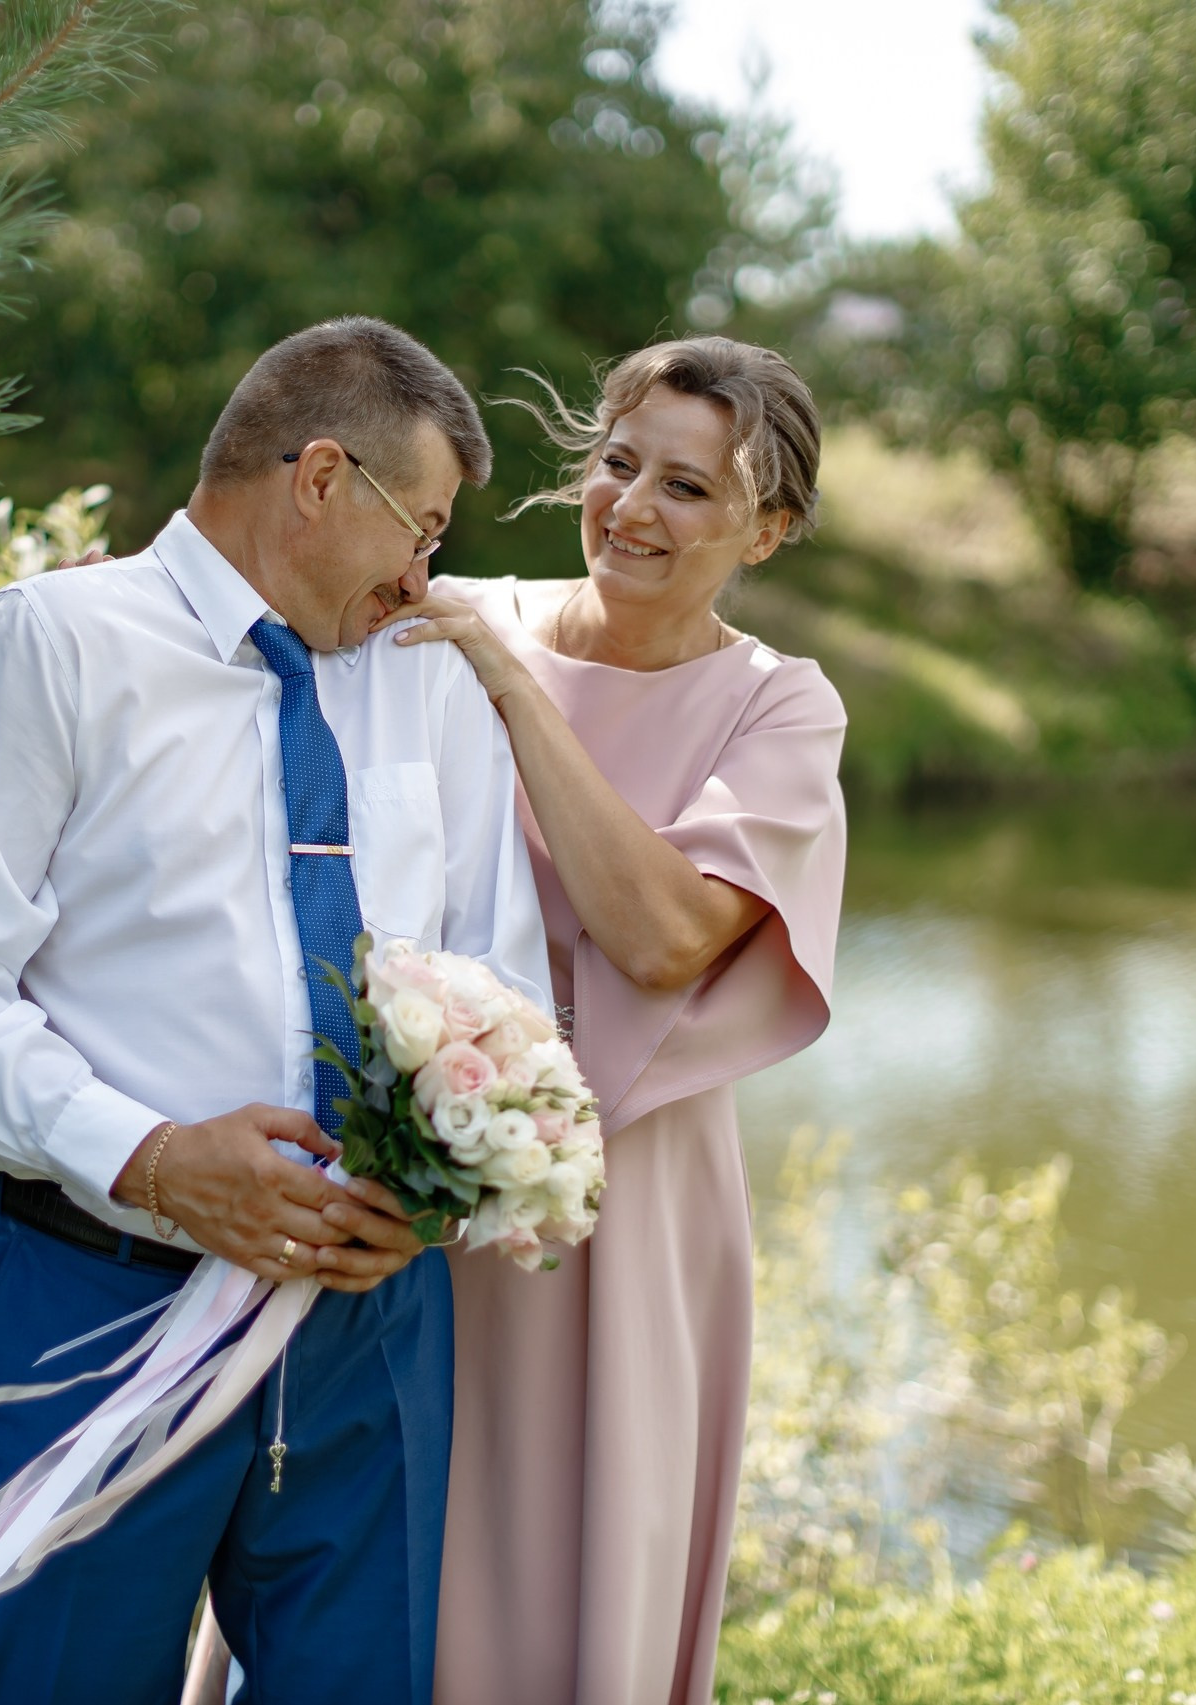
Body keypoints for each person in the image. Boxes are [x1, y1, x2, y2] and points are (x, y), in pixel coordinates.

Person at [0, 317, 551, 1705]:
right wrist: (160, 1159)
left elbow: (503, 972)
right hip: (99, 1299)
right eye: (416, 524)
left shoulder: (432, 674)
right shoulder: (49, 647)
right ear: (319, 479)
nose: (427, 571)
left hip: (373, 1324)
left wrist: (447, 1182)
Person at [396, 337, 848, 1705]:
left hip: (634, 1204)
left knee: (583, 1574)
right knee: (388, 1542)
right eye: (617, 462)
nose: (631, 507)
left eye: (690, 489)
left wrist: (515, 680)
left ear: (766, 529)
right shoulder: (447, 616)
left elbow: (657, 938)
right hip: (409, 1168)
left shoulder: (779, 705)